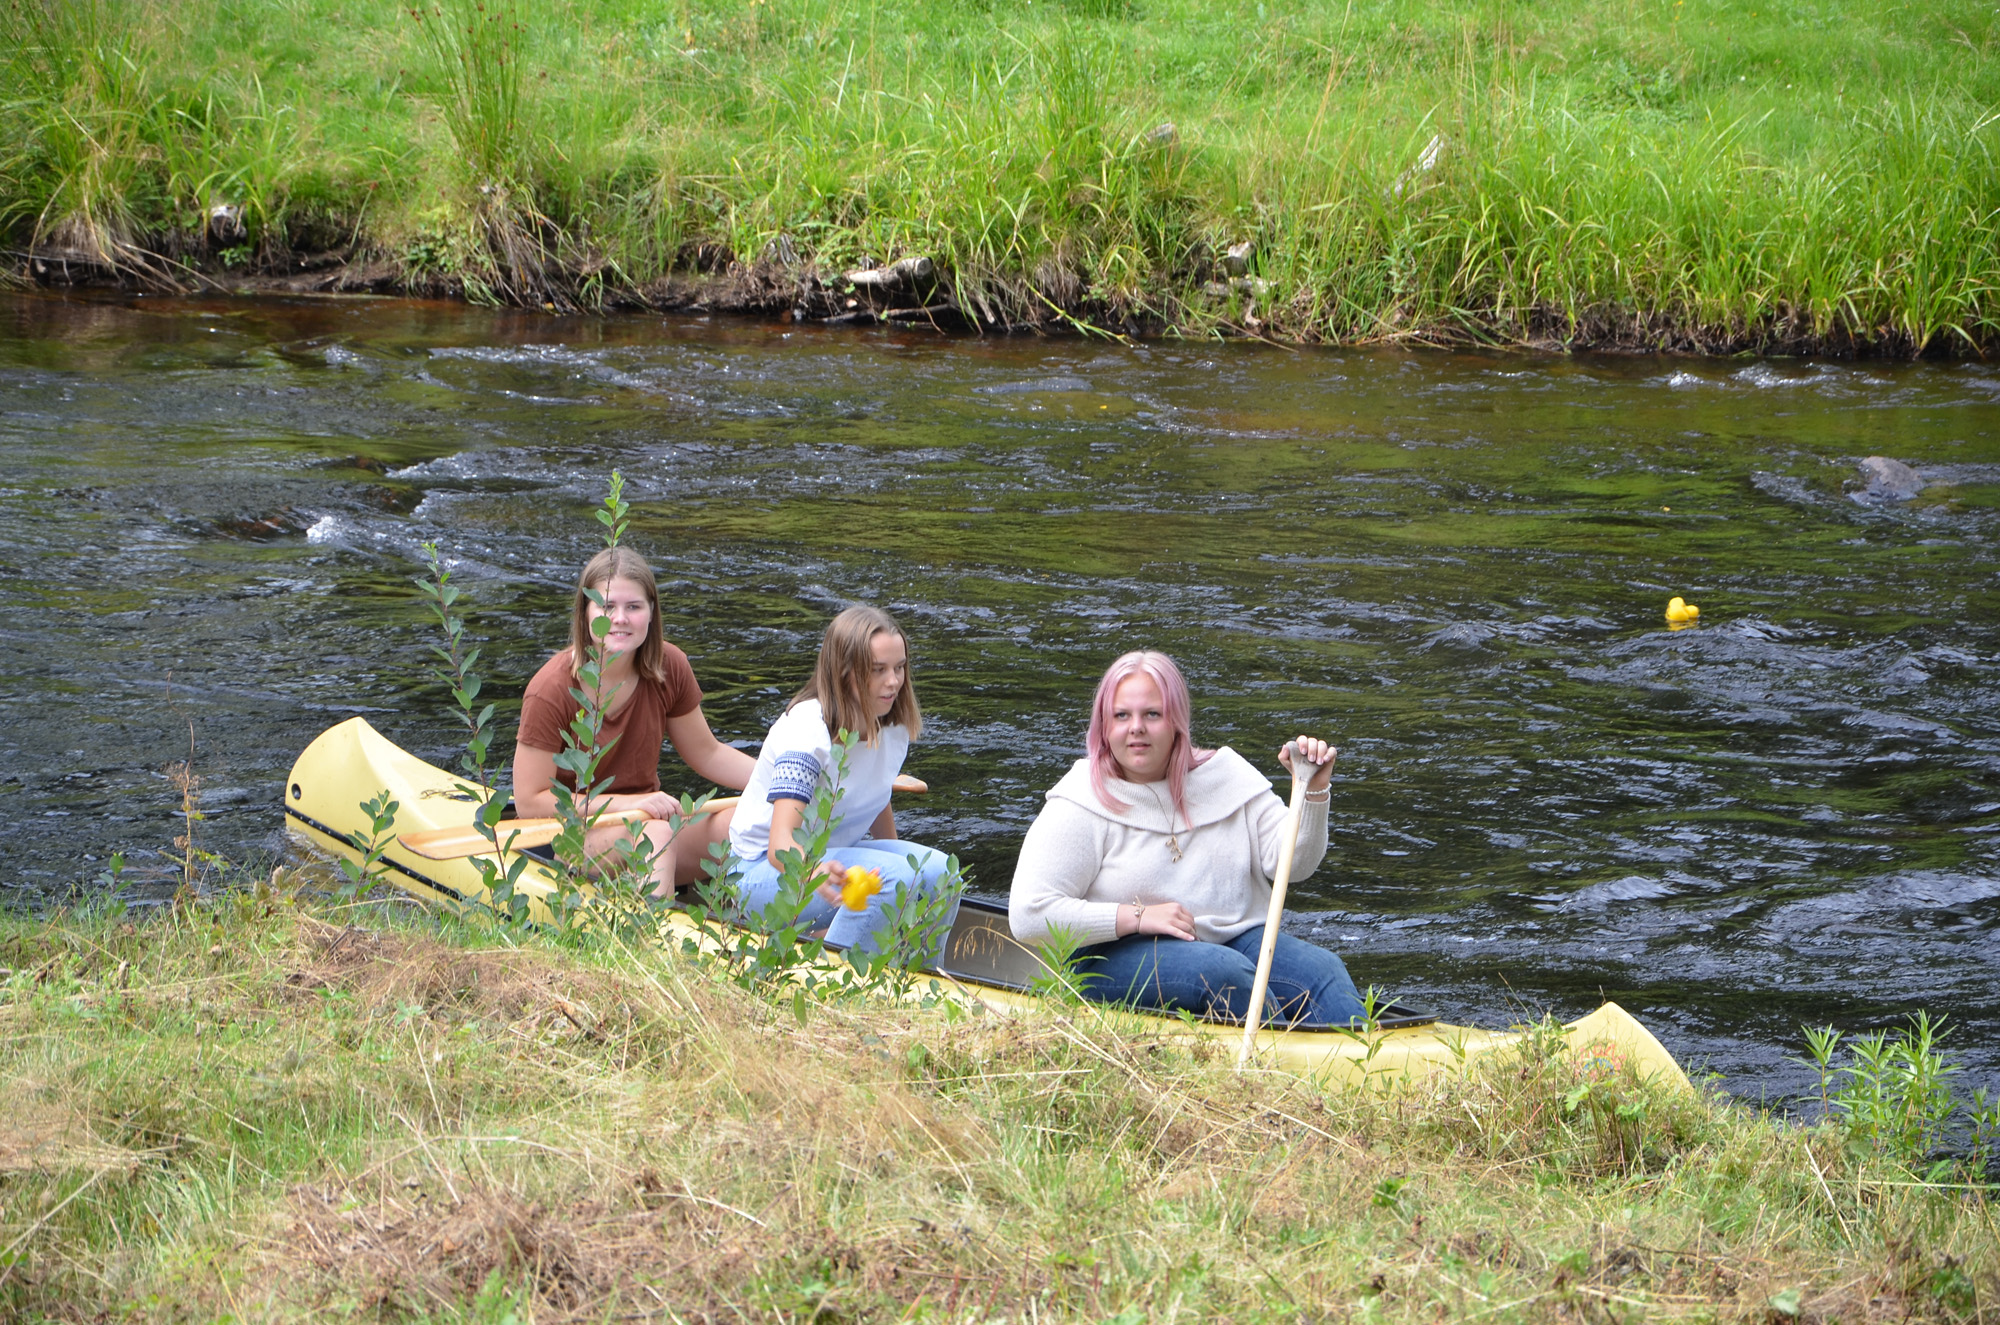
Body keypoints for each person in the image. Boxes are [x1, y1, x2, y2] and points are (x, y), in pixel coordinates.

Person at [1008, 650, 1365, 1026]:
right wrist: (1138, 916)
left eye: (1152, 714)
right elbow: (1028, 915)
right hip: (1109, 956)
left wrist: (1312, 791)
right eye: (1121, 715)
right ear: (1103, 725)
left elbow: (1295, 866)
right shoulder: (1081, 800)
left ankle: (1364, 1071)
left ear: (1177, 721)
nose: (1136, 728)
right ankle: (1274, 1074)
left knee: (1323, 970)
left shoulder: (1226, 777)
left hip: (1233, 940)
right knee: (1223, 975)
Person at [513, 547, 756, 896]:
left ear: (651, 612)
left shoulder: (669, 666)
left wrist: (777, 784)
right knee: (655, 832)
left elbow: (708, 753)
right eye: (607, 606)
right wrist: (628, 805)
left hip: (646, 821)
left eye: (634, 607)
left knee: (744, 821)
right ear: (585, 613)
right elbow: (530, 801)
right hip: (566, 834)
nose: (621, 618)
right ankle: (652, 937)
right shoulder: (550, 688)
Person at [728, 604, 954, 958]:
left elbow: (877, 794)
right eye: (878, 670)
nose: (894, 681)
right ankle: (842, 982)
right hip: (760, 873)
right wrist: (816, 869)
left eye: (899, 667)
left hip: (826, 858)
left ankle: (923, 976)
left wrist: (908, 872)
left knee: (941, 873)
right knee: (889, 880)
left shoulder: (891, 725)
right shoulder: (808, 731)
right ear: (844, 672)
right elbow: (779, 844)